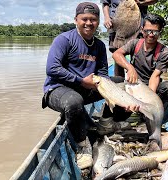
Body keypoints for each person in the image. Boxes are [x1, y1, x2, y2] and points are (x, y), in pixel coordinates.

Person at [41, 2, 138, 169]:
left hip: (87, 88)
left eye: (93, 19)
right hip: (57, 90)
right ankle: (82, 145)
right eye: (84, 19)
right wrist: (80, 81)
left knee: (120, 84)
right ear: (76, 20)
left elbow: (102, 74)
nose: (88, 23)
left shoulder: (99, 46)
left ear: (98, 21)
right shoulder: (64, 40)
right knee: (73, 102)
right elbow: (52, 69)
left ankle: (106, 123)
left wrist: (120, 98)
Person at [111, 13, 168, 150]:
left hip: (150, 88)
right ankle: (133, 115)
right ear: (142, 30)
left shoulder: (164, 52)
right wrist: (129, 67)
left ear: (160, 32)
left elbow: (155, 76)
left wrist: (146, 102)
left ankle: (155, 117)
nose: (151, 35)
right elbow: (116, 54)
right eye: (148, 31)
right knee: (114, 91)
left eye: (155, 31)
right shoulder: (135, 43)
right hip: (133, 85)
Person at [101, 0, 158, 77]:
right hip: (116, 24)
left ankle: (139, 83)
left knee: (139, 57)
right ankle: (119, 82)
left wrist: (140, 2)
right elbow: (105, 3)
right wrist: (107, 18)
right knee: (118, 56)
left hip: (137, 24)